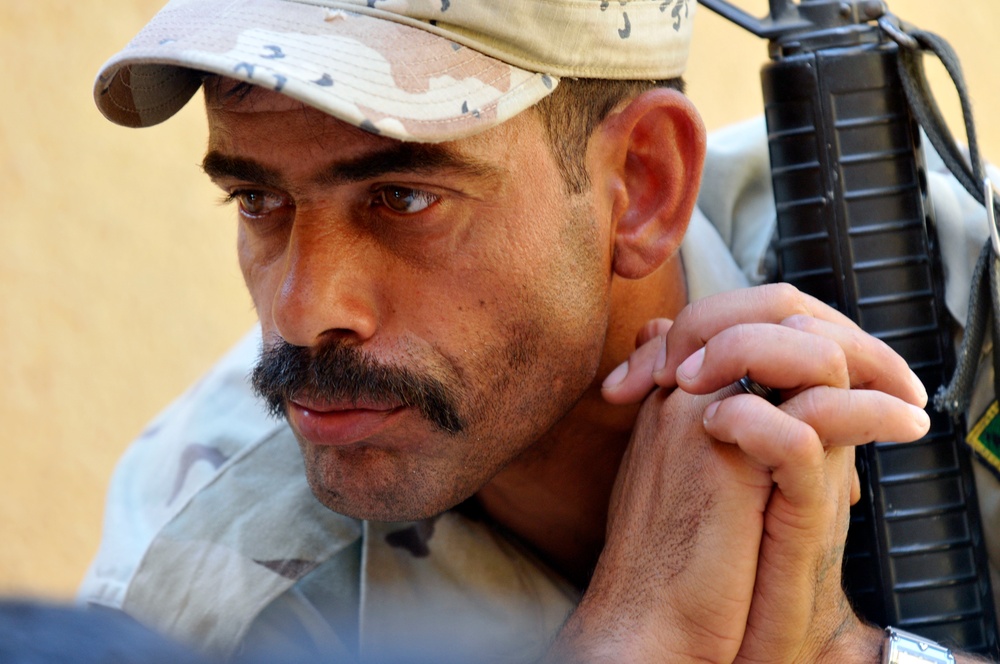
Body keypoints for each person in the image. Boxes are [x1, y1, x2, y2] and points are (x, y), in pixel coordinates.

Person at [81, 0, 997, 661]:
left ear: (642, 185)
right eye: (258, 199)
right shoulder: (195, 587)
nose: (304, 309)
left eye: (403, 198)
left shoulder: (968, 307)